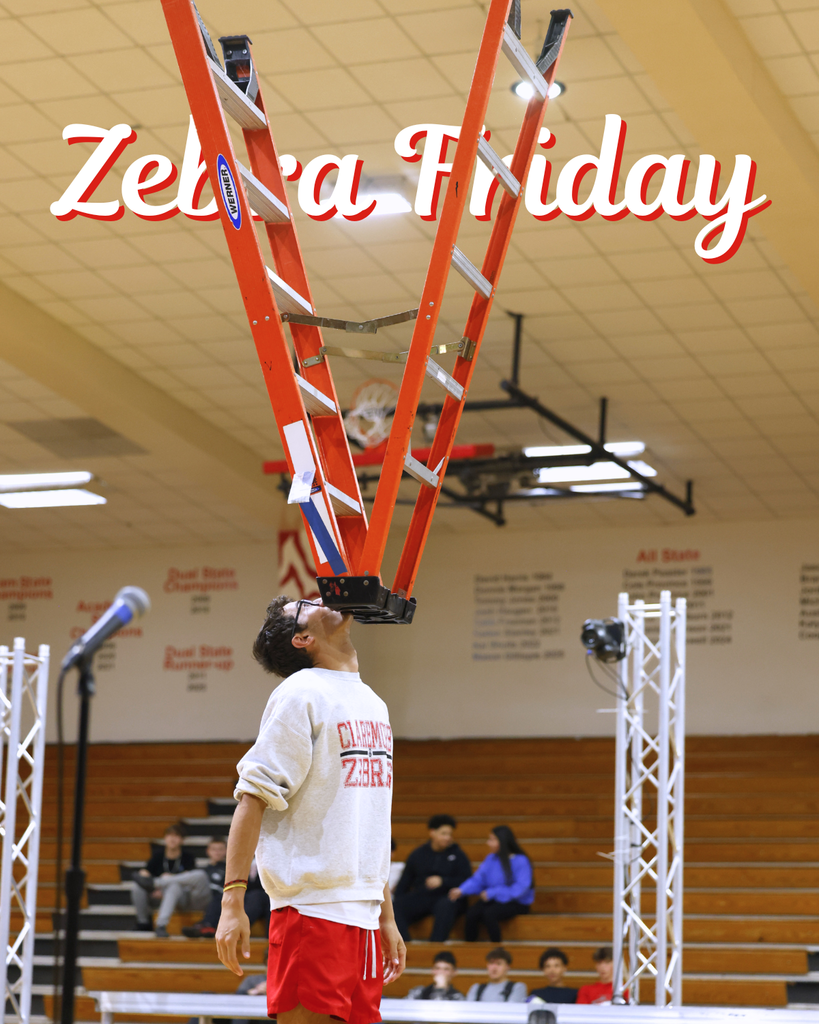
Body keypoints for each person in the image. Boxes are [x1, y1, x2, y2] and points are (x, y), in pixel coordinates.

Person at [214, 595, 405, 1024]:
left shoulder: (373, 701)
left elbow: (368, 821)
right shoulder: (300, 693)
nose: (321, 598)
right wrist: (232, 901)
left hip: (364, 916)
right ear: (303, 639)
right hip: (311, 912)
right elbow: (252, 797)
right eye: (306, 604)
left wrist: (385, 915)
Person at [392, 814, 472, 942]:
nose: (447, 838)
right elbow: (405, 881)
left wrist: (443, 881)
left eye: (450, 834)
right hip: (424, 896)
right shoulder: (418, 854)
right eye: (443, 833)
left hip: (447, 897)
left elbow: (467, 880)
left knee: (446, 905)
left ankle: (435, 945)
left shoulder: (458, 855)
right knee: (396, 906)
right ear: (432, 832)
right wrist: (399, 898)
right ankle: (405, 944)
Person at [449, 825, 534, 942]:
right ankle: (470, 946)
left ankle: (497, 947)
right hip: (493, 899)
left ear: (503, 841)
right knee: (471, 914)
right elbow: (478, 879)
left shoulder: (520, 860)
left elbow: (521, 888)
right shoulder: (490, 859)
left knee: (489, 914)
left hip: (516, 902)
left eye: (492, 840)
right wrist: (462, 890)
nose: (488, 843)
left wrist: (493, 893)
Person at [130, 823, 198, 934]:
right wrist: (154, 888)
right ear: (165, 838)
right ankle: (143, 922)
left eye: (176, 836)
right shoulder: (158, 855)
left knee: (174, 886)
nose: (172, 839)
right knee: (137, 887)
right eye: (169, 835)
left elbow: (189, 878)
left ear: (182, 840)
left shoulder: (188, 857)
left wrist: (167, 881)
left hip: (180, 896)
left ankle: (161, 925)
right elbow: (144, 872)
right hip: (158, 894)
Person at [183, 858, 269, 938]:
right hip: (244, 893)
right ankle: (207, 925)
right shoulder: (244, 860)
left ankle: (236, 928)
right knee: (221, 896)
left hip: (265, 896)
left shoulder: (267, 859)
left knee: (256, 896)